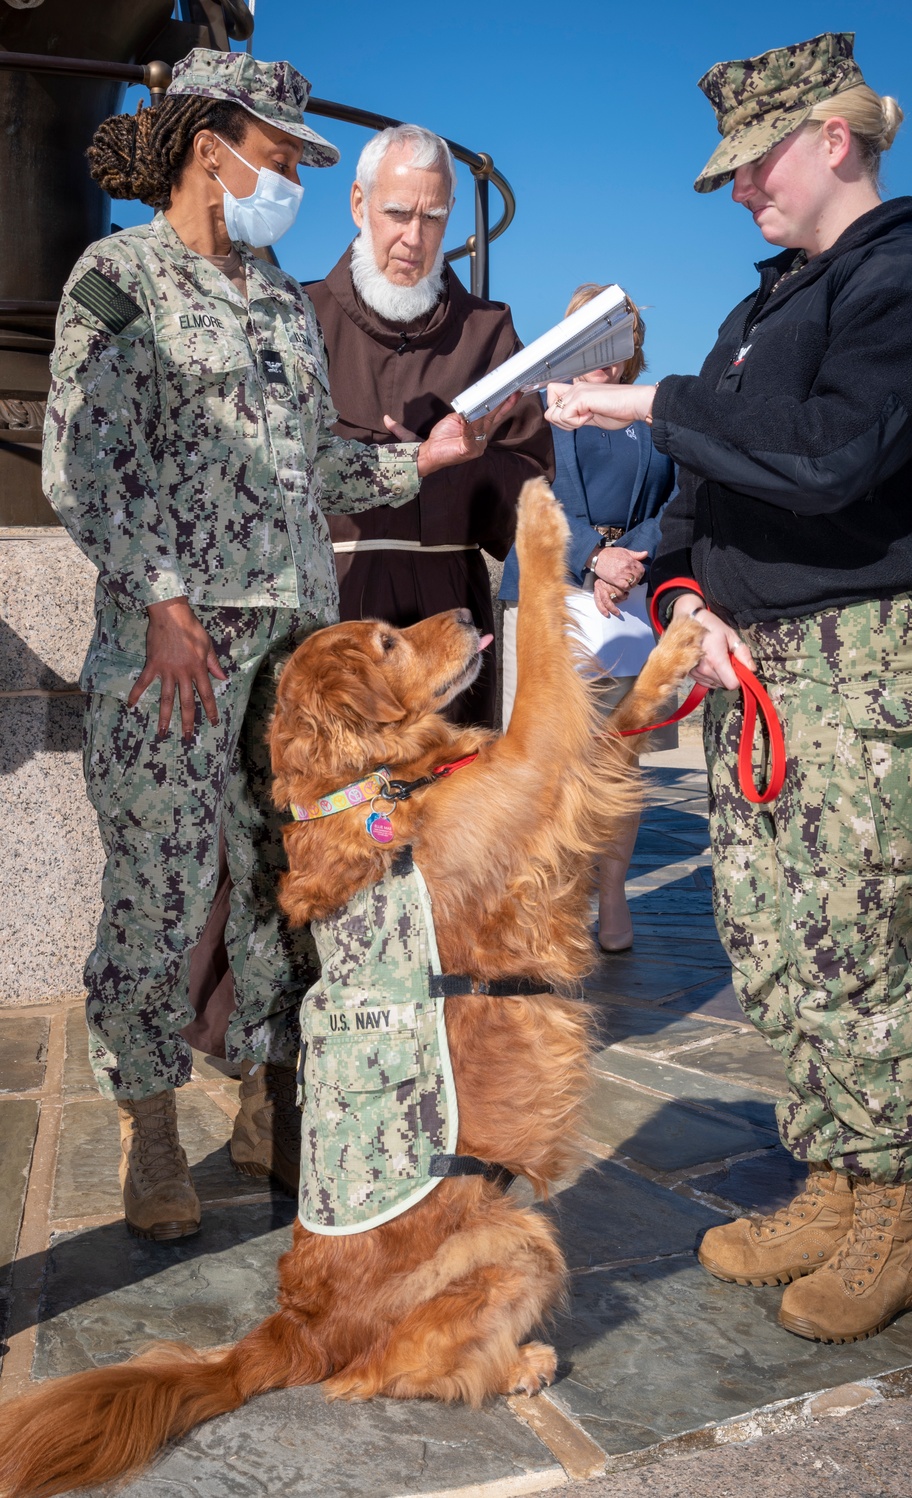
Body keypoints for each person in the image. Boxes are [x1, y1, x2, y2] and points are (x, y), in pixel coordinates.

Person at [545, 31, 912, 1344]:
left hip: (869, 650)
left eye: (753, 164)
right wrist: (674, 579)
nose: (741, 190)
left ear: (834, 140)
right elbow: (714, 485)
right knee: (769, 928)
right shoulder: (768, 304)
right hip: (759, 655)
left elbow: (824, 457)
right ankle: (830, 1177)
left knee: (852, 938)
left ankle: (891, 1213)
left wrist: (644, 401)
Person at [44, 49, 510, 1241]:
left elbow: (317, 465)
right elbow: (81, 462)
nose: (294, 177)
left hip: (291, 669)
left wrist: (426, 462)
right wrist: (161, 598)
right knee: (157, 897)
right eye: (285, 156)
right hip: (175, 661)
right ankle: (151, 1128)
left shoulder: (275, 299)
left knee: (281, 886)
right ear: (215, 147)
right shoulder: (119, 279)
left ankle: (264, 1101)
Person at [305, 123, 554, 728]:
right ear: (359, 205)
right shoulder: (302, 315)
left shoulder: (488, 331)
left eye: (434, 217)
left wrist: (461, 463)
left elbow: (533, 490)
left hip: (450, 613)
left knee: (453, 806)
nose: (414, 238)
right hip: (332, 608)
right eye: (397, 213)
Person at [499, 284, 675, 950]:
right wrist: (594, 557)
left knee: (619, 762)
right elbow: (524, 491)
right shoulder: (536, 408)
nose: (606, 351)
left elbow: (680, 498)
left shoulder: (652, 412)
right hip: (551, 592)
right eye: (591, 334)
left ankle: (611, 892)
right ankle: (546, 899)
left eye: (618, 335)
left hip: (627, 601)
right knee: (545, 757)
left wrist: (632, 558)